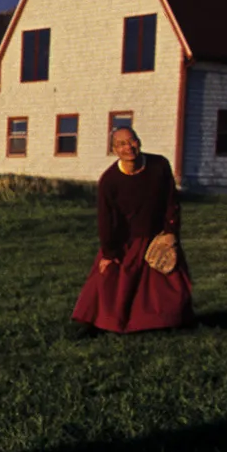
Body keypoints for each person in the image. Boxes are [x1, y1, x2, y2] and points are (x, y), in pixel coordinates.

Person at [71, 127, 194, 333]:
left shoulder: (159, 165)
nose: (128, 147)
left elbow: (171, 201)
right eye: (121, 144)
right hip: (127, 239)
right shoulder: (109, 180)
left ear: (139, 141)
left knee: (170, 286)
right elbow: (106, 219)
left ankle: (168, 322)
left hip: (159, 236)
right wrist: (110, 253)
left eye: (132, 141)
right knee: (113, 284)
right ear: (114, 150)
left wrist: (171, 231)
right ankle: (102, 324)